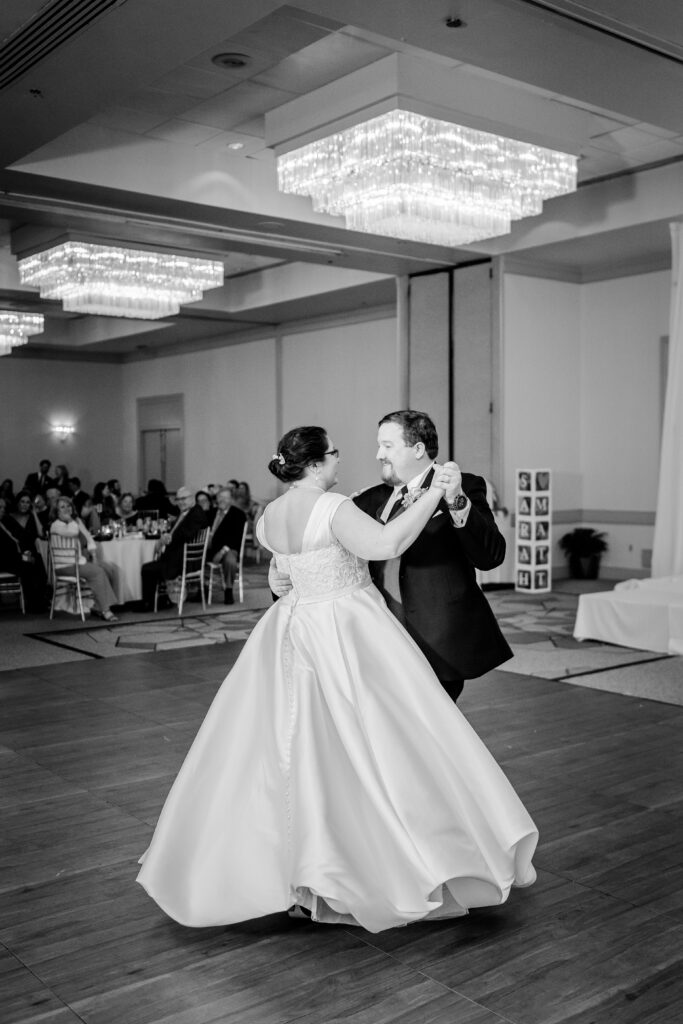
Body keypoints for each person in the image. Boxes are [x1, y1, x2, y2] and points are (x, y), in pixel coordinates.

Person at [137, 426, 537, 933]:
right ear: (314, 463)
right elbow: (387, 542)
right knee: (376, 748)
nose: (344, 459)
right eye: (333, 453)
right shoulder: (334, 506)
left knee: (296, 751)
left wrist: (287, 577)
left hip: (291, 632)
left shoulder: (269, 516)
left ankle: (296, 872)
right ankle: (383, 863)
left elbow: (283, 574)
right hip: (347, 633)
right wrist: (435, 491)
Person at [271, 410, 512, 704]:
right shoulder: (368, 499)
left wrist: (457, 502)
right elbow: (319, 548)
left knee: (435, 727)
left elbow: (490, 557)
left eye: (387, 446)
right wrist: (279, 573)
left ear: (418, 449)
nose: (378, 455)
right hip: (379, 640)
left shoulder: (465, 486)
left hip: (437, 638)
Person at [49, 496, 119, 621]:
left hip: (76, 563)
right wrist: (71, 519)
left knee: (108, 568)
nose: (67, 509)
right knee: (97, 572)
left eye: (68, 505)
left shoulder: (73, 521)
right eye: (62, 507)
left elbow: (87, 536)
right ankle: (105, 609)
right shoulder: (56, 525)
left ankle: (98, 606)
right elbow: (73, 531)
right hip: (64, 566)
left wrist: (94, 556)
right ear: (56, 511)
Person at [140, 486, 208, 610]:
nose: (180, 502)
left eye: (184, 499)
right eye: (178, 499)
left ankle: (149, 604)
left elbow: (187, 534)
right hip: (178, 557)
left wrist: (170, 538)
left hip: (186, 561)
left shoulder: (196, 513)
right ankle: (162, 600)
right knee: (152, 564)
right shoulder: (186, 512)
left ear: (192, 498)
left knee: (147, 568)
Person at [0, 497, 47, 611]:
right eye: (0, 508)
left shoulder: (2, 523)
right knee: (30, 564)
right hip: (4, 560)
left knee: (37, 558)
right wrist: (22, 557)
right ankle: (34, 603)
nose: (2, 510)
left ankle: (41, 599)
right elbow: (3, 550)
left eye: (3, 508)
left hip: (12, 557)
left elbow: (15, 541)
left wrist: (24, 553)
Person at [205, 486, 246, 604]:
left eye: (225, 498)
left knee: (230, 560)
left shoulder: (238, 514)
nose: (222, 500)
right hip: (210, 548)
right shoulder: (211, 513)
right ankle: (202, 588)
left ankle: (228, 589)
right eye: (220, 497)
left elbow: (236, 537)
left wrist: (222, 551)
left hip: (229, 548)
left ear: (231, 500)